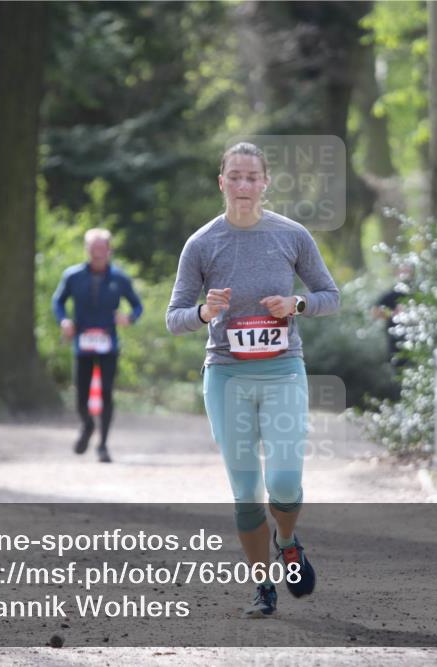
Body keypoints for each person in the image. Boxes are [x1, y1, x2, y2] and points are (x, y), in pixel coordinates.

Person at [166, 142, 340, 617]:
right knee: (246, 493)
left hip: (283, 370)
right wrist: (204, 312)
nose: (243, 185)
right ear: (222, 183)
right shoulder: (202, 243)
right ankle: (262, 585)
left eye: (252, 177)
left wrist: (297, 305)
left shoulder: (292, 235)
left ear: (265, 183)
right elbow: (174, 316)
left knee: (284, 482)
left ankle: (286, 540)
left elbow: (330, 295)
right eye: (235, 177)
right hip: (225, 375)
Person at [53, 228, 142, 463]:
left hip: (108, 345)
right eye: (94, 249)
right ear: (87, 250)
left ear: (109, 250)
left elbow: (137, 306)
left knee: (106, 393)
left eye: (102, 249)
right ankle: (87, 425)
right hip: (82, 344)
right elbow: (58, 301)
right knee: (81, 396)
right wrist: (63, 320)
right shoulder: (73, 276)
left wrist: (128, 318)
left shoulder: (120, 279)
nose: (98, 253)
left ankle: (103, 445)